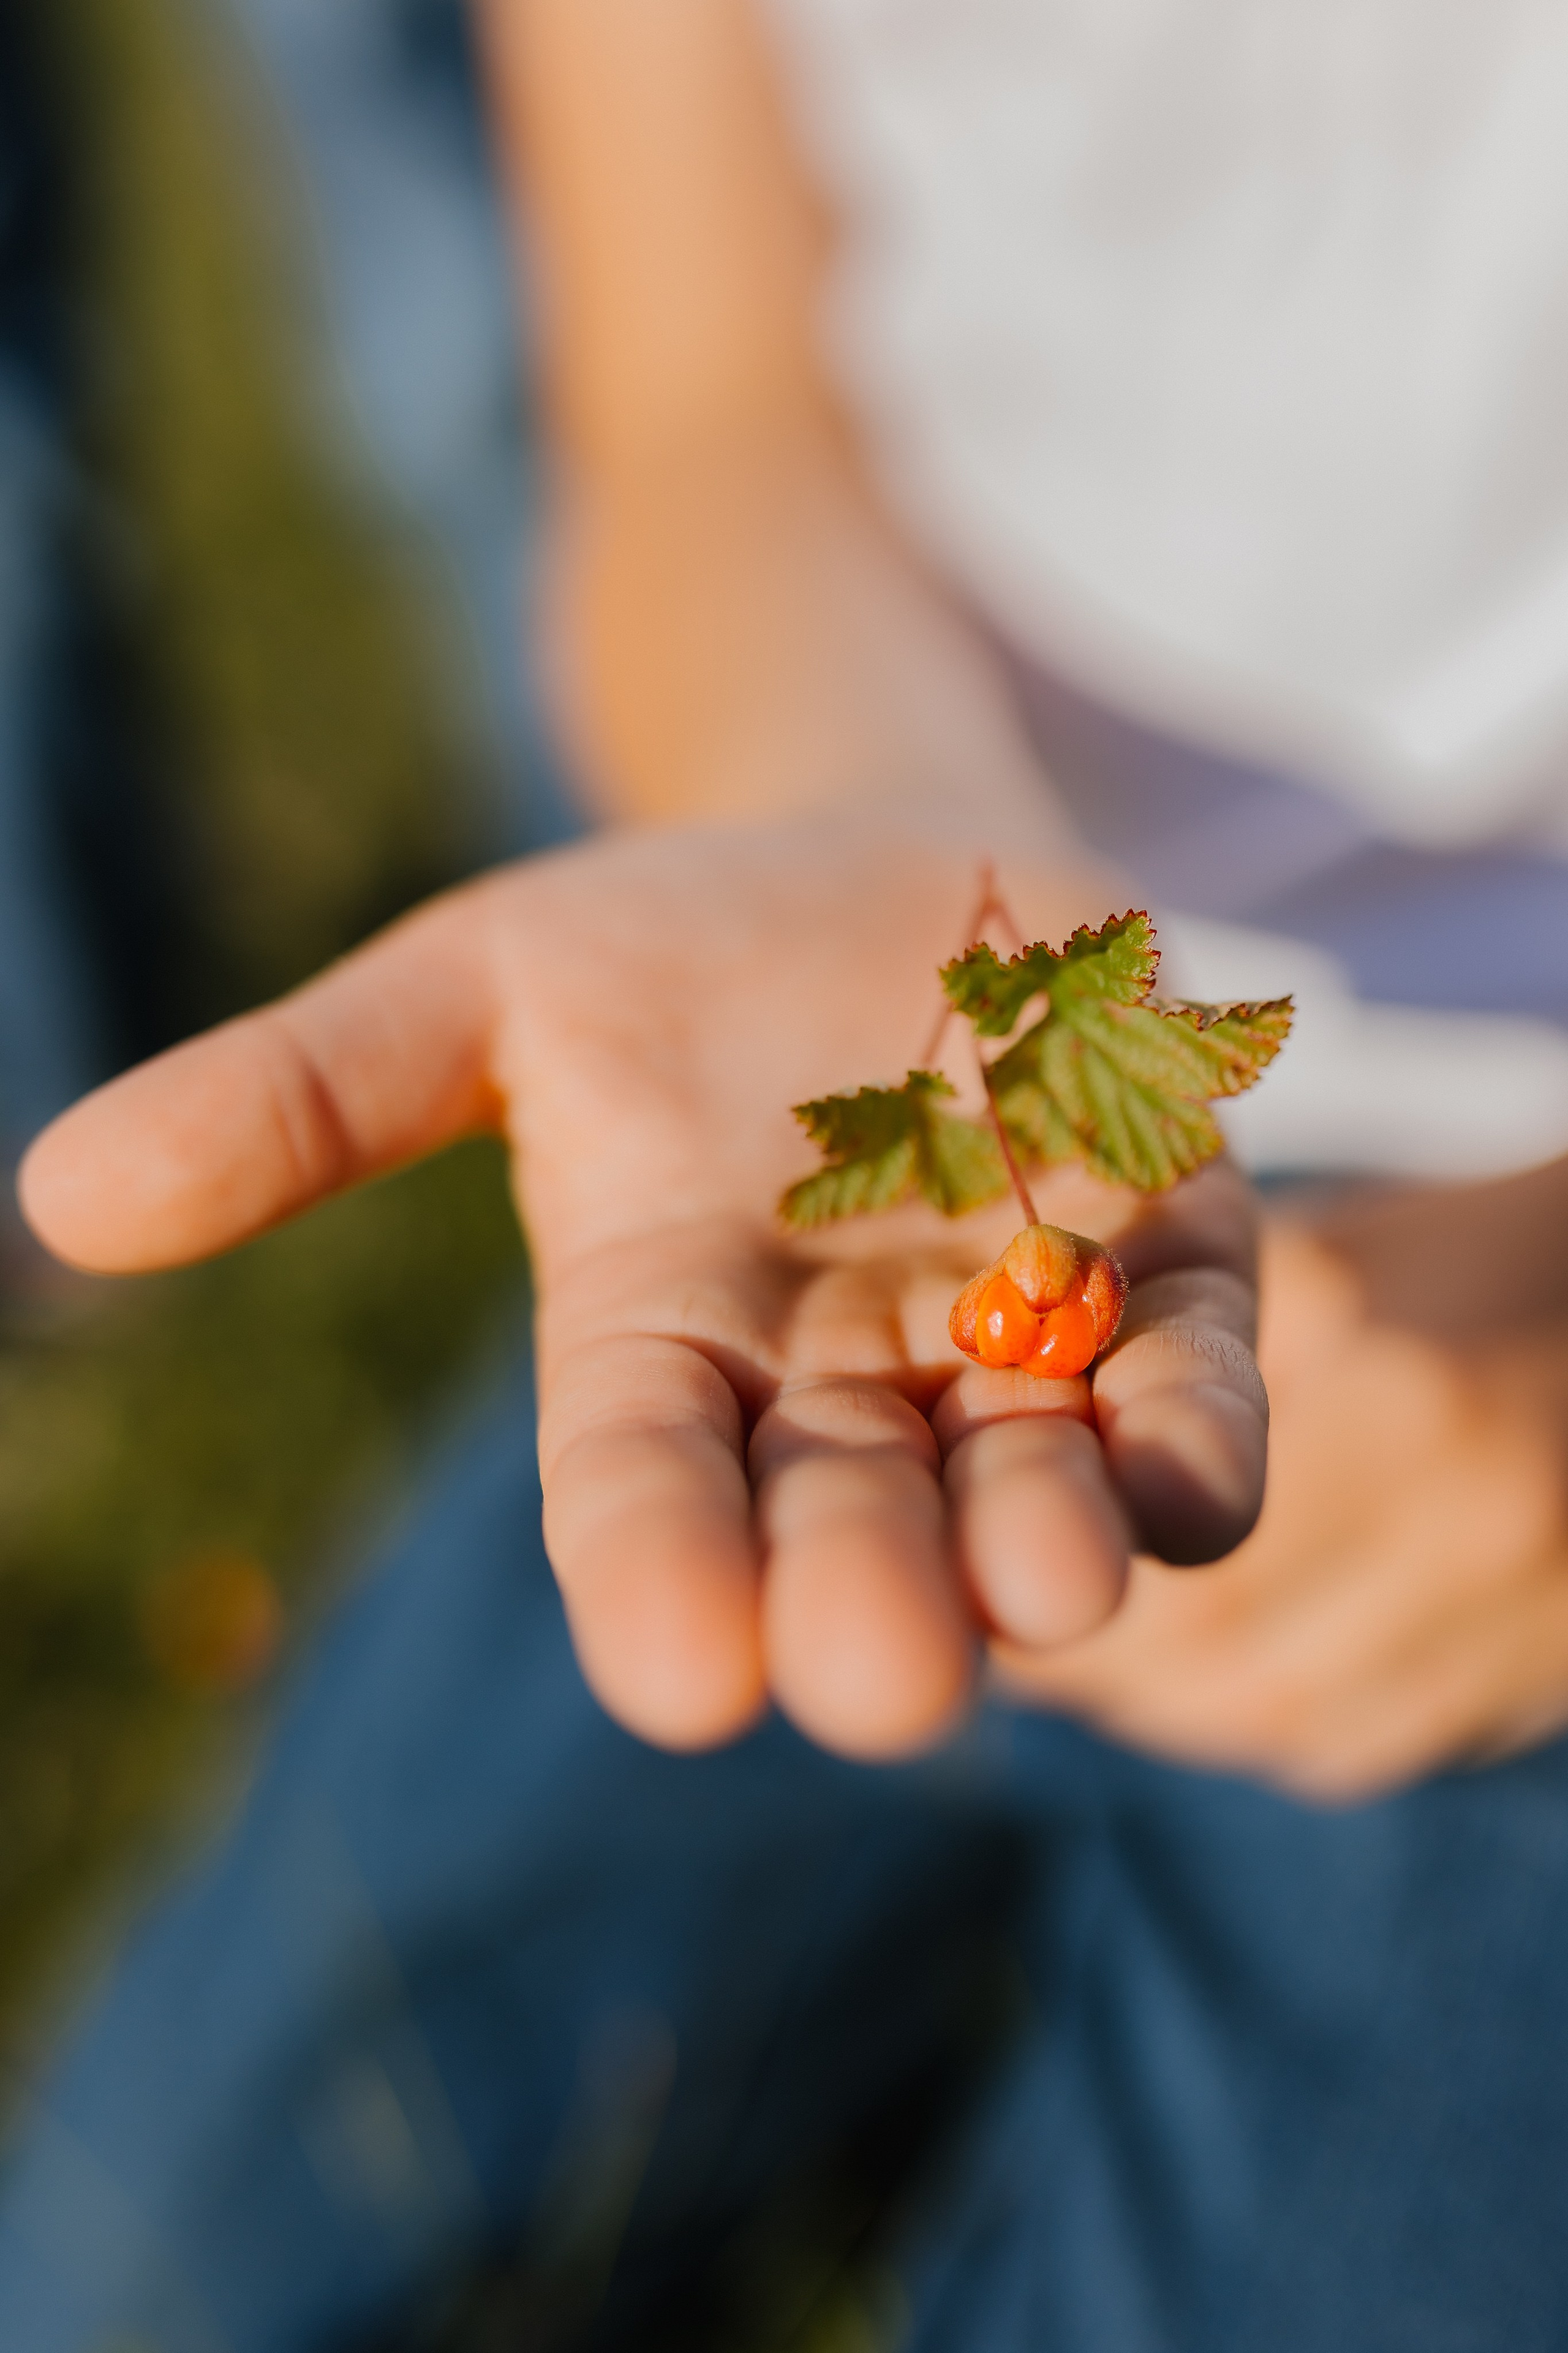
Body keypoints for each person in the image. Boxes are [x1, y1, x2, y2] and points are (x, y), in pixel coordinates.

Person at [6, 4, 1568, 2346]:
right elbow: (707, 417)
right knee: (130, 2268)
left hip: (1513, 1332)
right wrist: (825, 817)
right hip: (967, 1021)